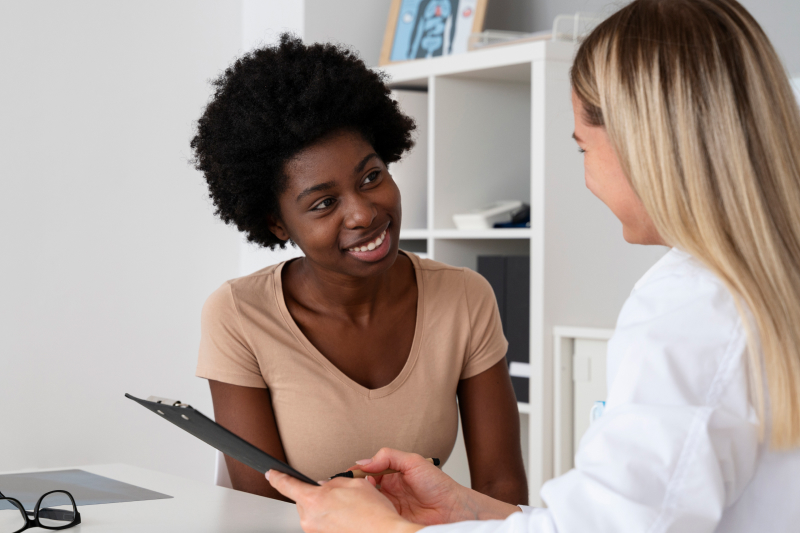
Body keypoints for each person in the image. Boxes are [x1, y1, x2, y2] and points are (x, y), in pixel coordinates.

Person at [265, 0, 800, 530]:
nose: (588, 179)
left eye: (582, 149)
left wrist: (385, 530)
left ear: (643, 144)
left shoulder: (694, 305)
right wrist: (471, 512)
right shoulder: (749, 289)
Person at [190, 35, 527, 504]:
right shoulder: (239, 314)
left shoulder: (465, 297)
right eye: (325, 203)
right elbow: (261, 510)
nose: (364, 213)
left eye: (372, 177)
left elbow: (501, 488)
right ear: (276, 222)